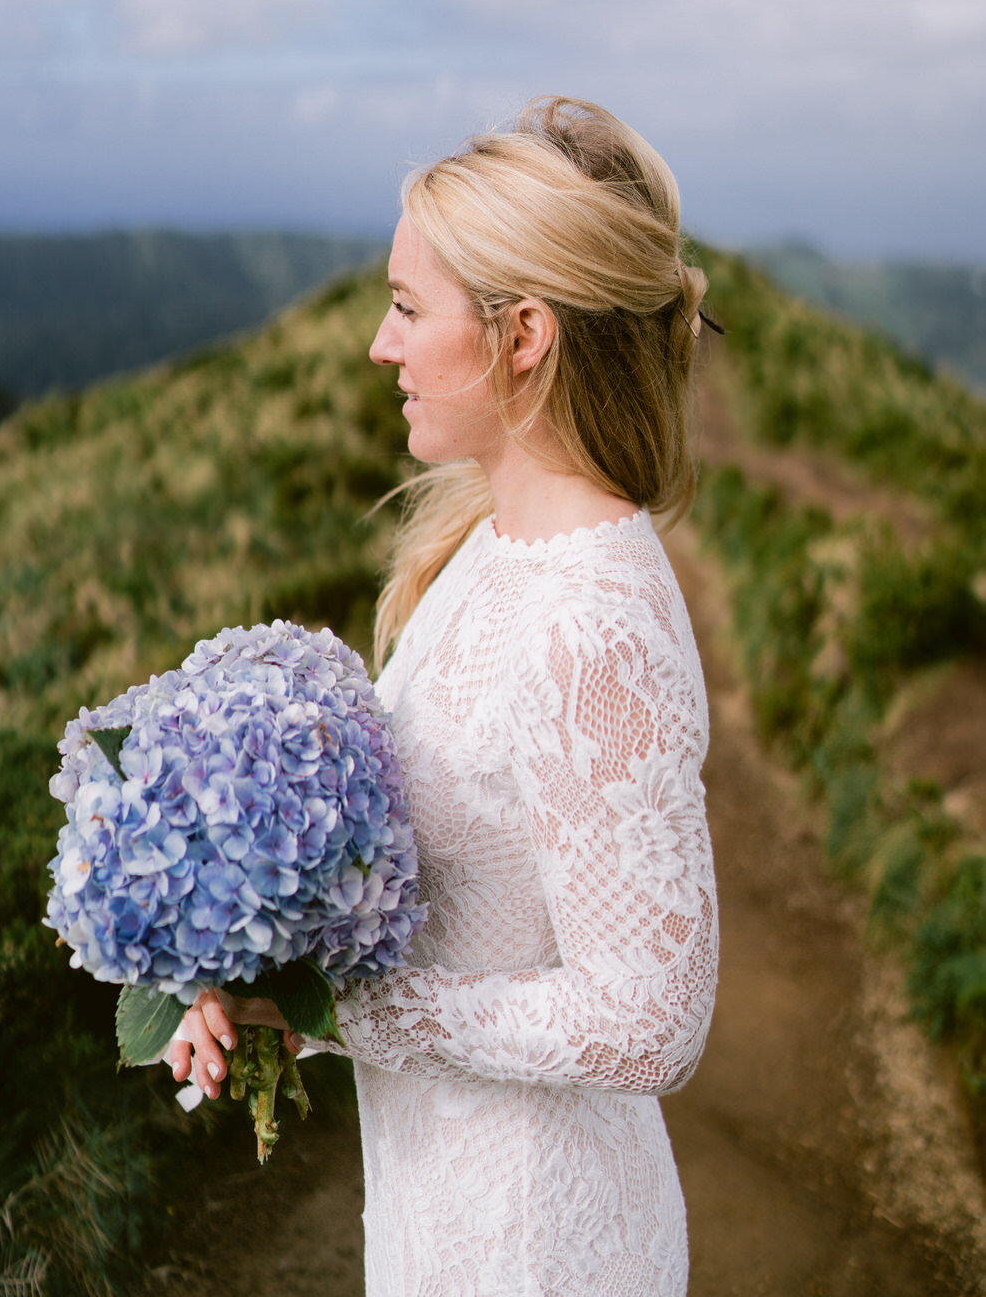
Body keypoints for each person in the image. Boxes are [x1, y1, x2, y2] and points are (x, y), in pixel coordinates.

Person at [171, 96, 719, 1297]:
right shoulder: (486, 541)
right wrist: (271, 984)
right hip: (437, 1202)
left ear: (522, 336)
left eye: (408, 307)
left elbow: (649, 1019)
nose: (379, 343)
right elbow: (455, 905)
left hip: (540, 1243)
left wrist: (353, 1011)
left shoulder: (593, 627)